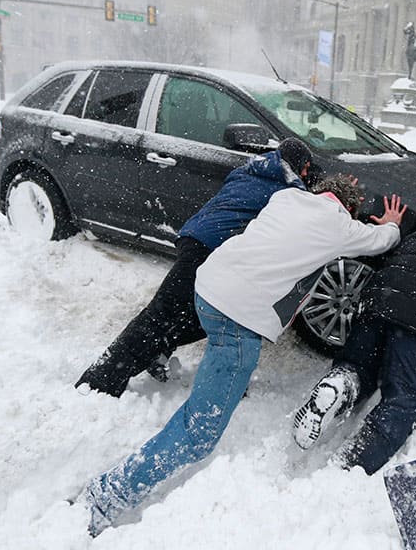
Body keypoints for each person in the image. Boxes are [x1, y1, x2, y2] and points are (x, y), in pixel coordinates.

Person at [81, 175, 407, 537]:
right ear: (347, 207)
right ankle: (104, 498)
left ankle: (193, 373)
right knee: (199, 432)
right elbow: (380, 241)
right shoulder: (338, 224)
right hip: (240, 316)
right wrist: (391, 224)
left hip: (208, 289)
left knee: (216, 361)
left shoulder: (287, 198)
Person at [75, 137, 316, 397]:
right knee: (160, 314)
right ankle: (99, 380)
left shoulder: (248, 170)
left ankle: (158, 351)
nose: (306, 174)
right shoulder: (288, 191)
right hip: (209, 248)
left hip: (195, 237)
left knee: (205, 316)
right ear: (298, 166)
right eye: (305, 168)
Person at [292, 188, 416, 476]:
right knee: (406, 399)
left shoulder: (415, 236)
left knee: (360, 367)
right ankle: (349, 467)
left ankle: (340, 384)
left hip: (374, 305)